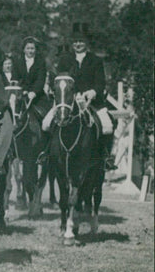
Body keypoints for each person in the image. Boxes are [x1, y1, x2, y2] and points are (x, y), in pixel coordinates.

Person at [41, 22, 116, 170]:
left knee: (107, 125)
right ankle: (46, 153)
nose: (78, 44)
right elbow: (59, 79)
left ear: (86, 43)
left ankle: (105, 157)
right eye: (75, 41)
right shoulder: (65, 59)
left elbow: (100, 83)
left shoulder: (95, 60)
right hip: (68, 100)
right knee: (46, 123)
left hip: (91, 102)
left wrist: (92, 92)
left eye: (81, 41)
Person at [12, 37, 48, 120]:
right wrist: (21, 90)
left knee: (44, 115)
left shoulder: (40, 62)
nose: (30, 51)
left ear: (35, 50)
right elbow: (15, 78)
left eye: (32, 48)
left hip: (37, 96)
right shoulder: (18, 62)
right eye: (28, 48)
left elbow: (40, 79)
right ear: (24, 50)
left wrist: (34, 92)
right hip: (21, 94)